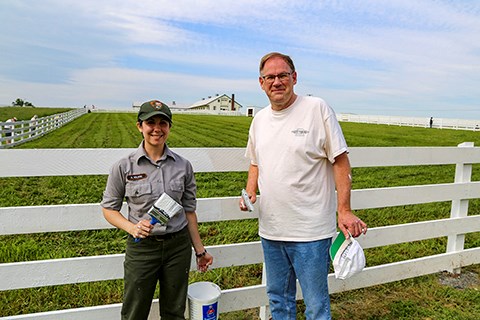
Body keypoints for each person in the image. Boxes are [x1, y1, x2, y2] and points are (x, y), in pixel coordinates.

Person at [239, 52, 367, 320]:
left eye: (282, 75)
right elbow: (255, 162)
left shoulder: (316, 108)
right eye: (270, 77)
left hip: (310, 231)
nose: (276, 81)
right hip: (271, 229)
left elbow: (340, 161)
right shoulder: (259, 120)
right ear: (261, 83)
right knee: (278, 299)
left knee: (316, 304)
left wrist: (344, 210)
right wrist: (250, 190)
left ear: (294, 78)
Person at [101, 100, 213, 320]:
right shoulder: (124, 166)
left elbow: (189, 211)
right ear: (139, 126)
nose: (157, 128)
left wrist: (199, 251)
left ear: (169, 127)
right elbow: (109, 209)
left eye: (163, 122)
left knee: (174, 310)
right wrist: (132, 228)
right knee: (135, 310)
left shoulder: (183, 166)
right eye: (150, 122)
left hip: (177, 247)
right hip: (142, 249)